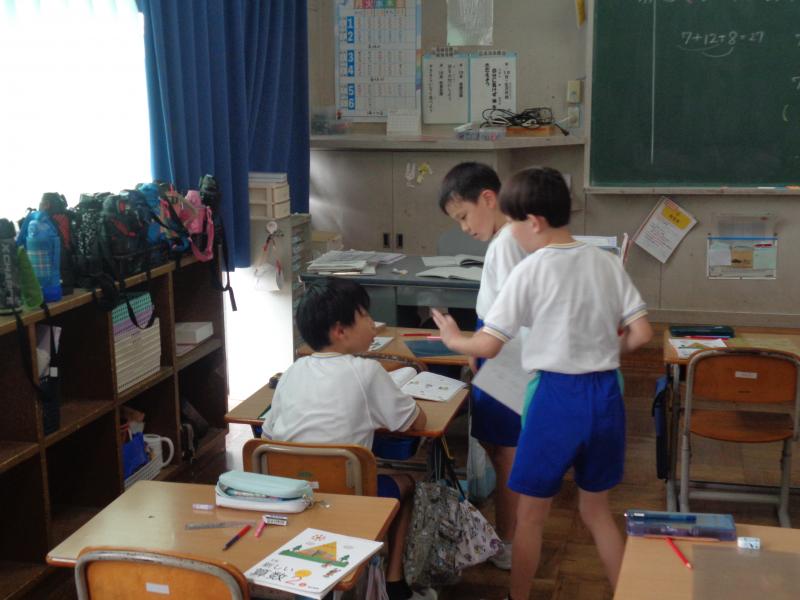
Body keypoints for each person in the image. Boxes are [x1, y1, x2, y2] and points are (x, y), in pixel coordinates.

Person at [432, 167, 653, 600]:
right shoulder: (606, 261)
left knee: (532, 518)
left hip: (555, 397)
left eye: (513, 223)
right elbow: (642, 334)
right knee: (598, 514)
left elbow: (490, 344)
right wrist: (608, 353)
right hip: (606, 395)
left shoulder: (530, 269)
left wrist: (453, 338)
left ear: (532, 221)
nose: (510, 233)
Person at [262, 277, 435, 600]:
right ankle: (395, 583)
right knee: (409, 483)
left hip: (290, 498)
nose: (373, 323)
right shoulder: (366, 373)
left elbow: (269, 435)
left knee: (351, 472)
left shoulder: (293, 371)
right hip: (349, 499)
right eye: (365, 316)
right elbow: (416, 421)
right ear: (340, 331)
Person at [438, 161, 527, 569]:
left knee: (506, 454)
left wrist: (466, 342)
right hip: (497, 351)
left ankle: (509, 543)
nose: (464, 228)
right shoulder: (508, 237)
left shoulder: (507, 241)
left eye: (464, 216)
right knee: (497, 448)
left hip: (507, 358)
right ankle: (508, 536)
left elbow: (509, 319)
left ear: (488, 198)